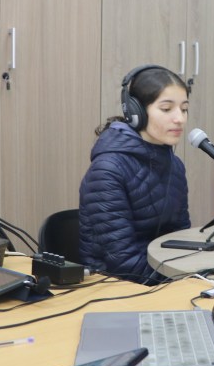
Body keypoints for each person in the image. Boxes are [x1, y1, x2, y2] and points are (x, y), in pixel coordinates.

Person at [79, 65, 191, 283]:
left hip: (160, 278)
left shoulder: (174, 165)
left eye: (184, 109)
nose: (180, 118)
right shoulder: (107, 170)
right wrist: (183, 279)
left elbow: (181, 237)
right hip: (113, 284)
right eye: (166, 109)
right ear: (136, 112)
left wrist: (199, 271)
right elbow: (122, 262)